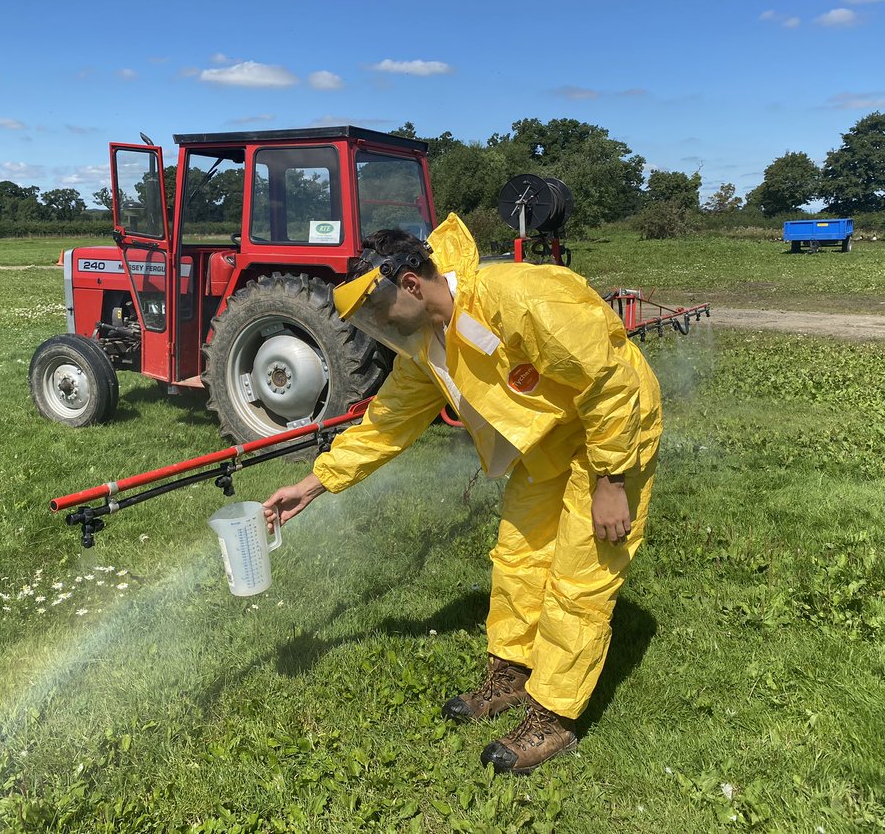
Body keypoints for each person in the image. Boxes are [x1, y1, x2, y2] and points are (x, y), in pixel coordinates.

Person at [262, 213, 662, 774]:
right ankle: (513, 673)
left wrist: (612, 479)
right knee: (520, 557)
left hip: (613, 430)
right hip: (546, 437)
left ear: (409, 285)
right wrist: (313, 483)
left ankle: (553, 714)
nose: (378, 328)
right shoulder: (428, 345)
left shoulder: (520, 297)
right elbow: (387, 424)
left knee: (579, 575)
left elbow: (609, 380)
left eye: (377, 314)